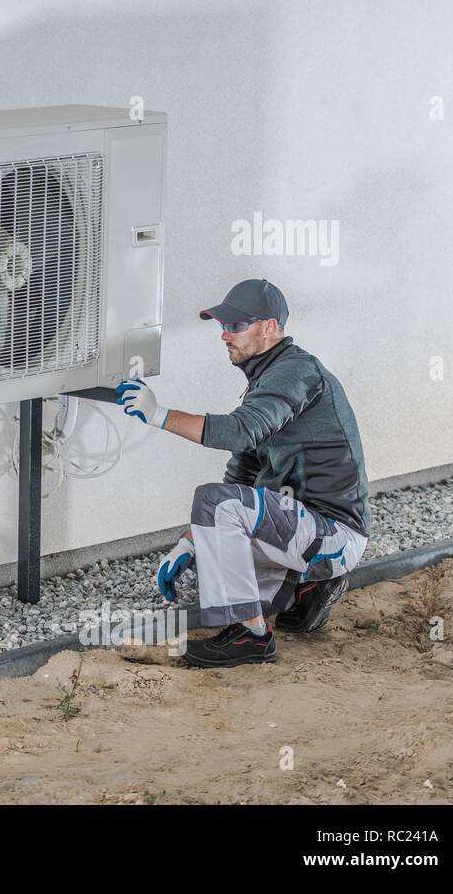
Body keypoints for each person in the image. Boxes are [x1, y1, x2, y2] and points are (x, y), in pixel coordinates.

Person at [113, 278, 371, 668]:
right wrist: (190, 540)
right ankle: (306, 593)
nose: (224, 335)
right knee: (211, 549)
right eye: (223, 326)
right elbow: (242, 472)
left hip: (333, 532)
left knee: (213, 506)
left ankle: (251, 638)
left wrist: (159, 415)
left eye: (236, 326)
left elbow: (240, 431)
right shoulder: (267, 380)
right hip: (303, 528)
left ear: (270, 327)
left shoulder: (295, 371)